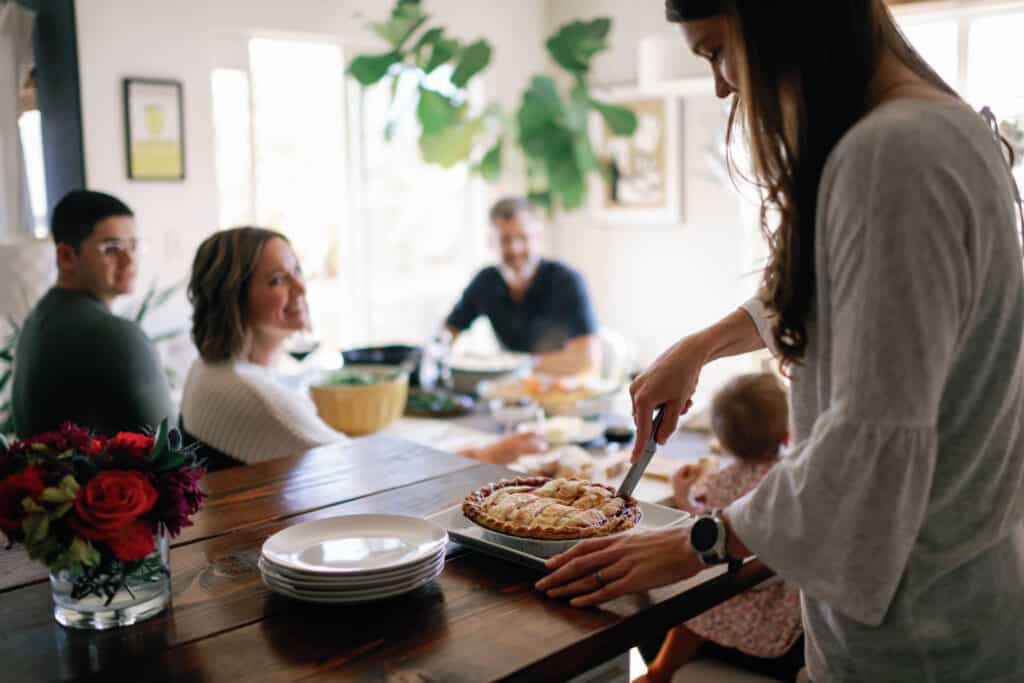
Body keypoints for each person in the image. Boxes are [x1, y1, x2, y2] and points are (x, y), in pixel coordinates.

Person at [536, 2, 1024, 682]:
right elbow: (863, 291)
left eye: (713, 51)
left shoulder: (892, 154)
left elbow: (867, 443)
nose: (721, 85)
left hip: (919, 639)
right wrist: (701, 346)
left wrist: (700, 539)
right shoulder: (941, 127)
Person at [180, 227, 546, 467]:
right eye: (278, 279)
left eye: (297, 271)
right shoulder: (258, 395)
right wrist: (486, 455)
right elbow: (362, 473)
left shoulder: (209, 368)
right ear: (233, 298)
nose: (301, 288)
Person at [638, 373, 802, 683]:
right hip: (778, 616)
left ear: (721, 440)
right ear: (787, 435)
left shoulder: (719, 483)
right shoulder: (790, 481)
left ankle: (659, 672)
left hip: (734, 596)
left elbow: (706, 530)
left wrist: (683, 496)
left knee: (684, 614)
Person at [11, 190, 173, 437]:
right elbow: (174, 449)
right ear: (66, 257)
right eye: (112, 248)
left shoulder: (38, 318)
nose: (130, 260)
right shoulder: (116, 335)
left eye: (133, 245)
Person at [444, 197, 600, 376]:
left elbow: (586, 361)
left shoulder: (567, 281)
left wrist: (518, 364)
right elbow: (446, 335)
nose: (515, 249)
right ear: (491, 242)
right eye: (505, 240)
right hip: (512, 390)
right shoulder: (485, 281)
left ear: (538, 237)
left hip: (563, 390)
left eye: (523, 238)